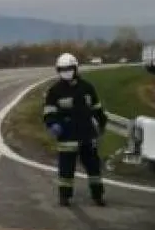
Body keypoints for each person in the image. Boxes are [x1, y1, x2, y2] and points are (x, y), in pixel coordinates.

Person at [43, 52, 108, 206]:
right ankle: (64, 197)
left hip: (87, 135)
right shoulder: (54, 91)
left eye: (69, 68)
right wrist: (53, 124)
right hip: (67, 137)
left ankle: (98, 195)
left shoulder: (87, 88)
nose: (66, 71)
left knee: (94, 168)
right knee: (66, 169)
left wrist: (102, 124)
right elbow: (48, 112)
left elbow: (97, 109)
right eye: (62, 69)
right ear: (58, 70)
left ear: (76, 68)